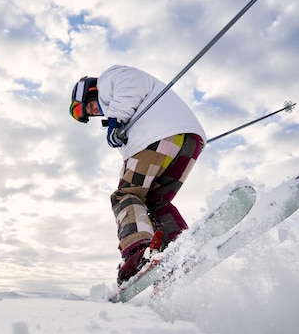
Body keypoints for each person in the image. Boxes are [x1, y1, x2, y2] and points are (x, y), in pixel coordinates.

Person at [69, 65, 206, 285]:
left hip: (155, 139)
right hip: (189, 142)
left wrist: (115, 121)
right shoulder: (121, 102)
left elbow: (132, 82)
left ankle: (138, 251)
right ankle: (178, 247)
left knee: (125, 196)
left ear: (89, 91)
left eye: (88, 106)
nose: (92, 112)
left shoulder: (108, 80)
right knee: (155, 201)